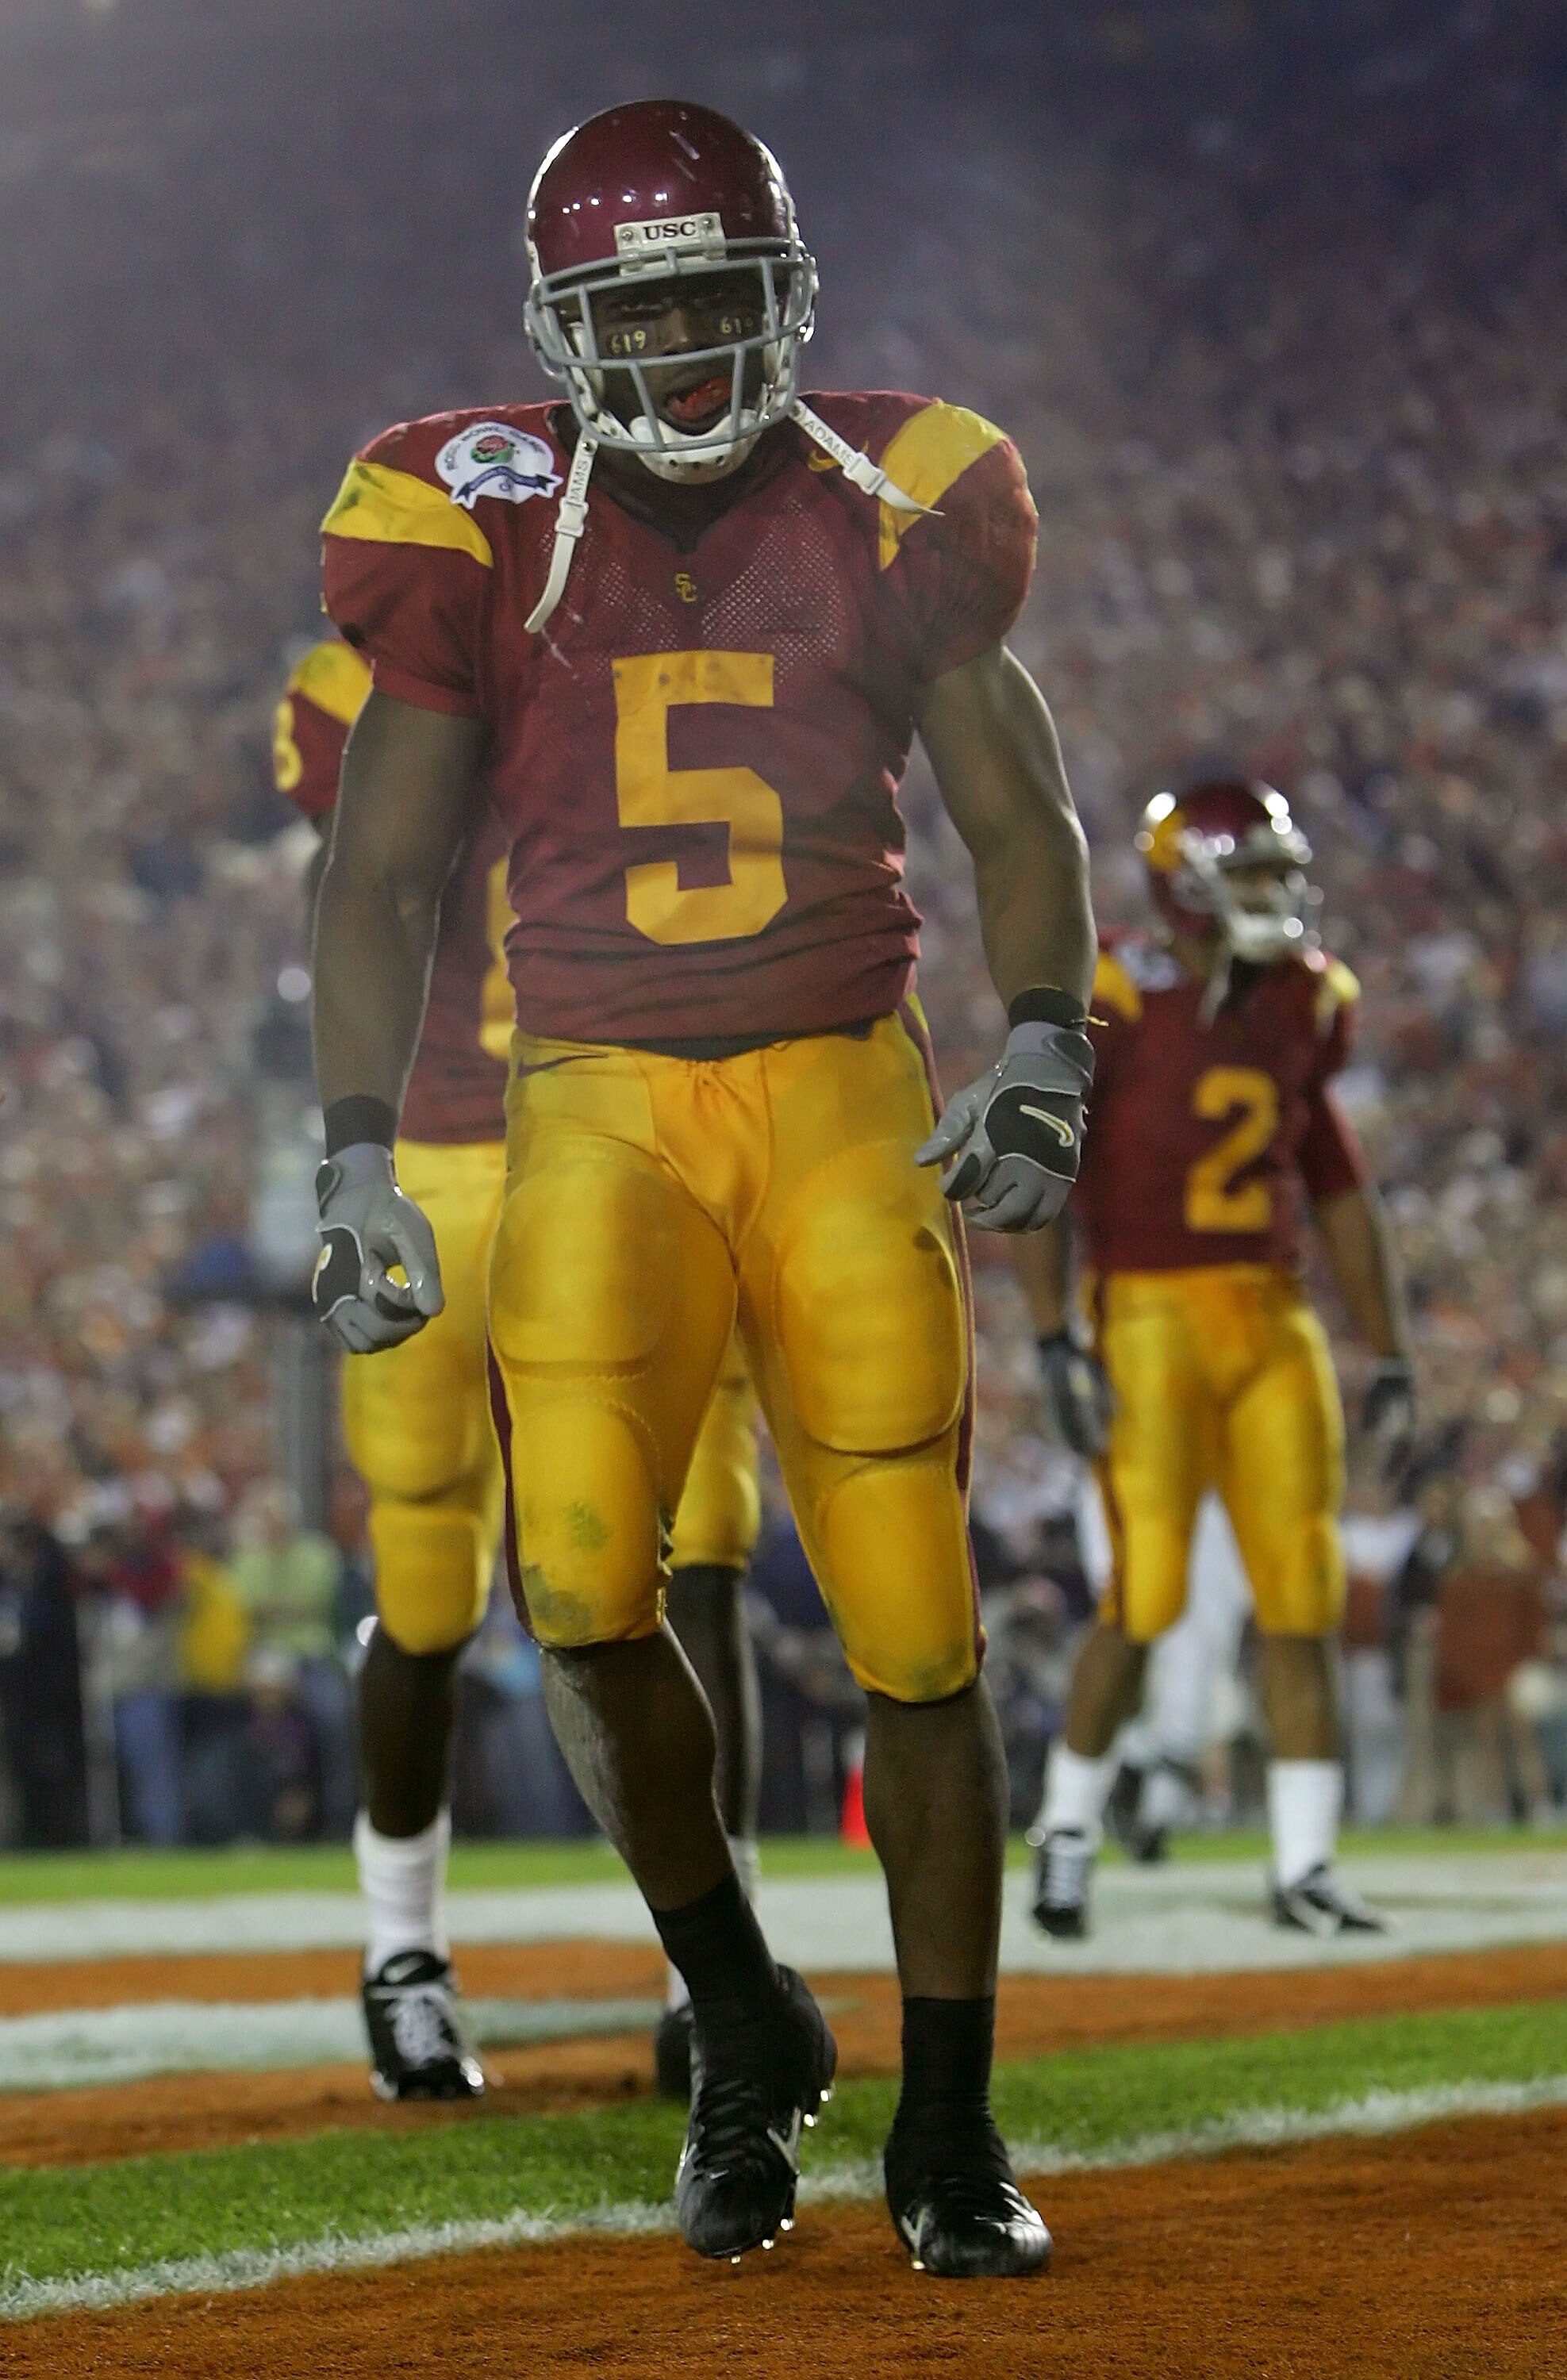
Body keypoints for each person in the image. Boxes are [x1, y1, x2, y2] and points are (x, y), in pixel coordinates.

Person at [309, 98, 1092, 2275]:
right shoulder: (479, 527)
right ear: (564, 331)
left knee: (914, 1622)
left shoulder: (895, 494)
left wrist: (1047, 1034)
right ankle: (742, 2018)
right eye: (631, 316)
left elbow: (1017, 811)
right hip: (593, 1106)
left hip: (840, 1087)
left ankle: (952, 2125)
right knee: (579, 1590)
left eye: (707, 304)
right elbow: (378, 869)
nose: (672, 353)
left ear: (785, 297)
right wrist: (353, 1147)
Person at [278, 635, 767, 2100]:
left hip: (627, 1130)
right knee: (430, 1574)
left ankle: (717, 1971)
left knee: (702, 1551)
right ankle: (403, 1952)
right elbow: (361, 883)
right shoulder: (409, 671)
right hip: (453, 1148)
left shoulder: (615, 636)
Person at [1021, 777, 1415, 1938]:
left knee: (1302, 1592)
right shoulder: (1113, 992)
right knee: (1143, 1597)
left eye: (1279, 873)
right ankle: (1068, 1832)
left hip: (1272, 1316)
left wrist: (1390, 1352)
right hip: (1145, 1314)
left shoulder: (1304, 999)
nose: (1275, 895)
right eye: (1251, 874)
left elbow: (1338, 1186)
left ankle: (1306, 1864)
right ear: (1187, 880)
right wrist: (1052, 1335)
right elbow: (1044, 1162)